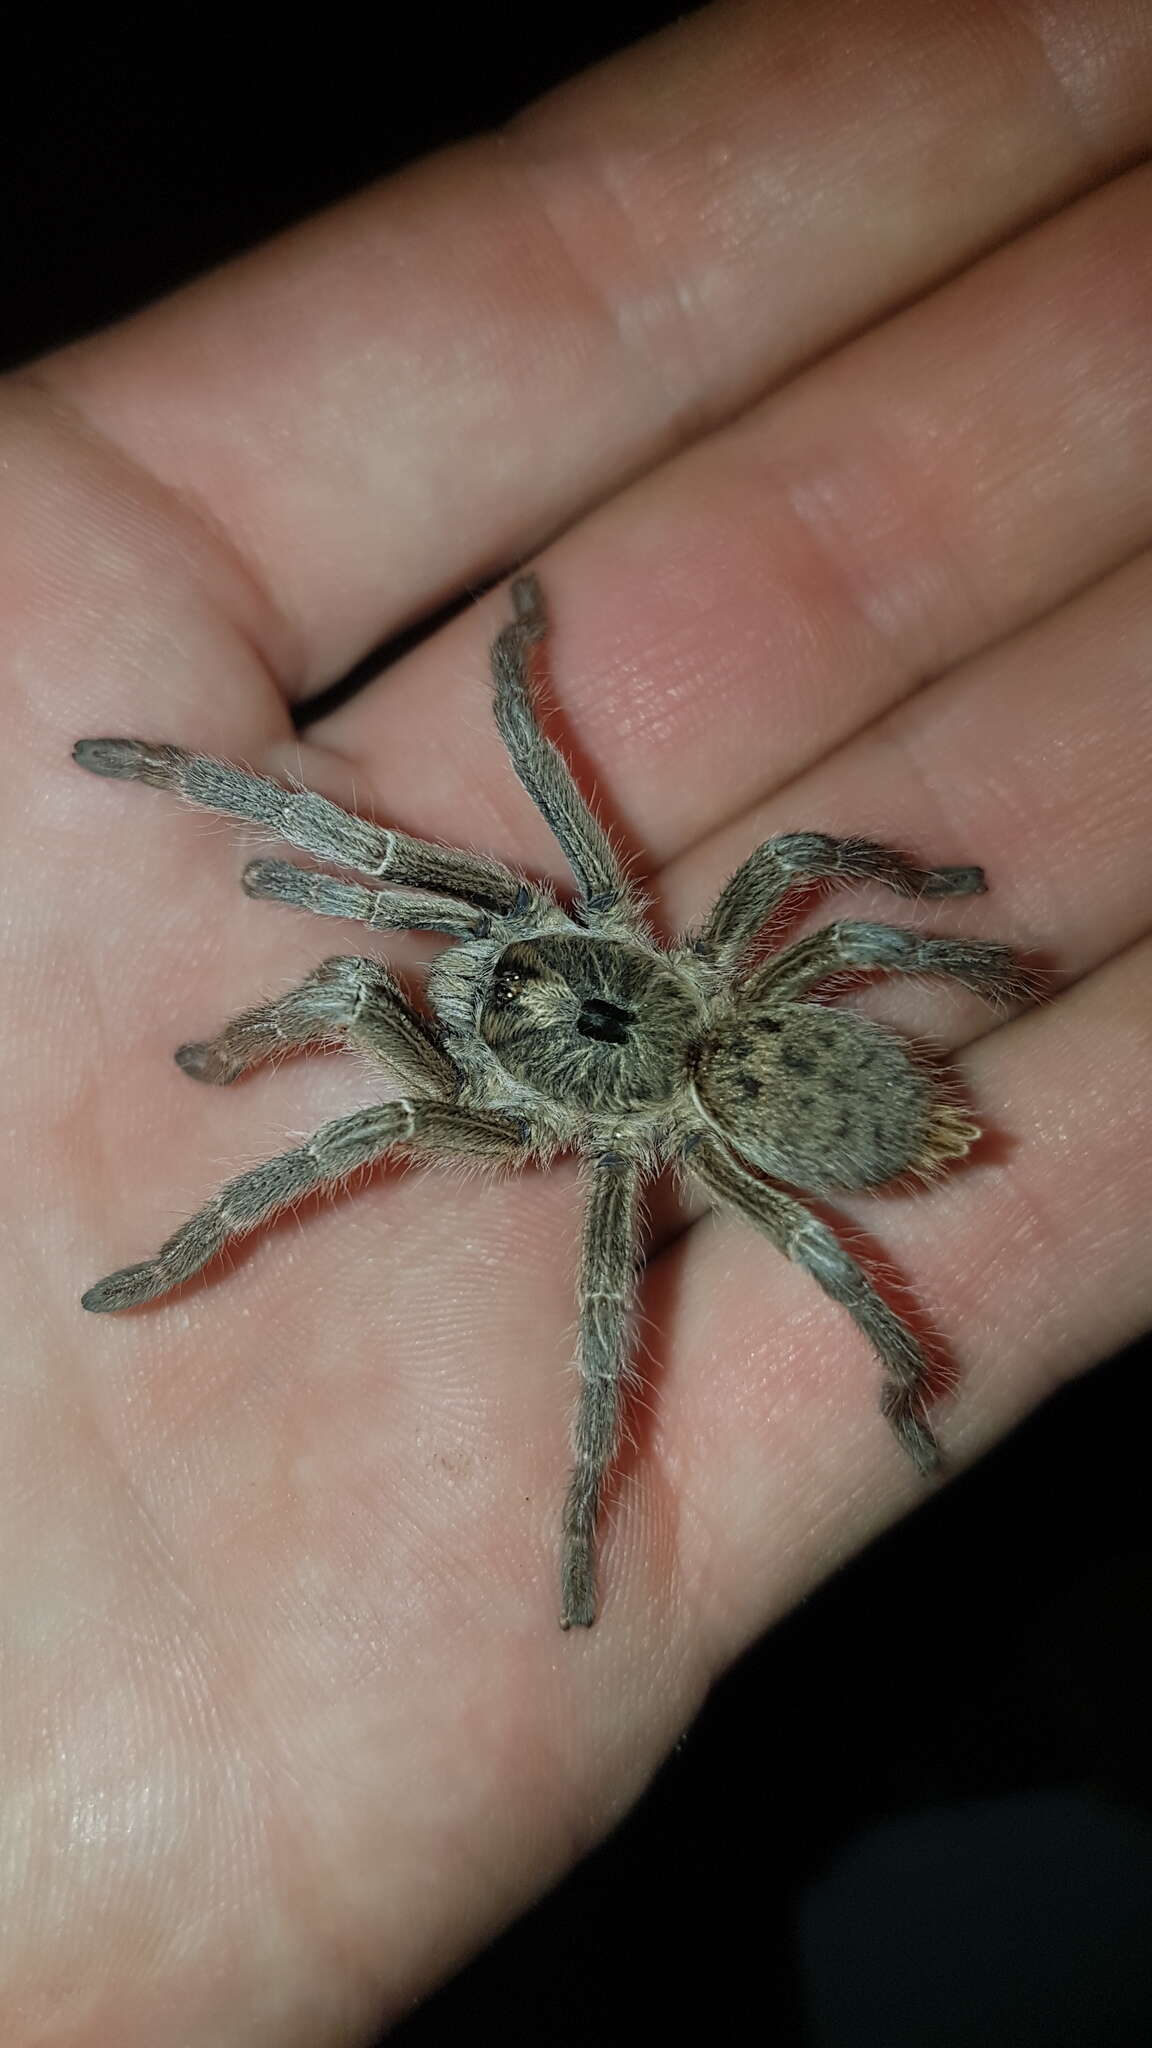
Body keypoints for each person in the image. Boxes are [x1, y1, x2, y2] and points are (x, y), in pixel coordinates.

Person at [1, 0, 1148, 2035]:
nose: (493, 958)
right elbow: (557, 801)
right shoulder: (633, 944)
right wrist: (941, 928)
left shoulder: (557, 1088)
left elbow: (472, 871)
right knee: (675, 908)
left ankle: (665, 1435)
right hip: (735, 1047)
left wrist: (269, 1047)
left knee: (367, 1084)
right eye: (511, 957)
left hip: (737, 1082)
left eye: (518, 949)